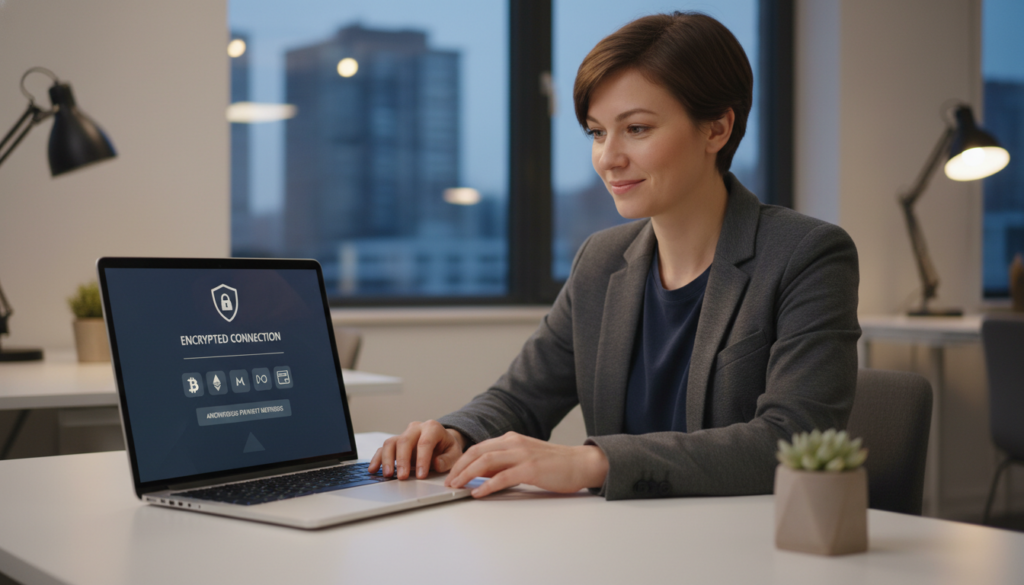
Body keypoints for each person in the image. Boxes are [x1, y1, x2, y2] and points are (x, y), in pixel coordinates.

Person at [368, 12, 860, 500]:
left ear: (717, 129)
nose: (608, 158)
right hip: (617, 536)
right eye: (597, 133)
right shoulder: (601, 260)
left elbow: (791, 439)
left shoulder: (807, 255)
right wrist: (455, 433)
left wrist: (594, 462)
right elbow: (521, 397)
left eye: (637, 128)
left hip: (743, 538)